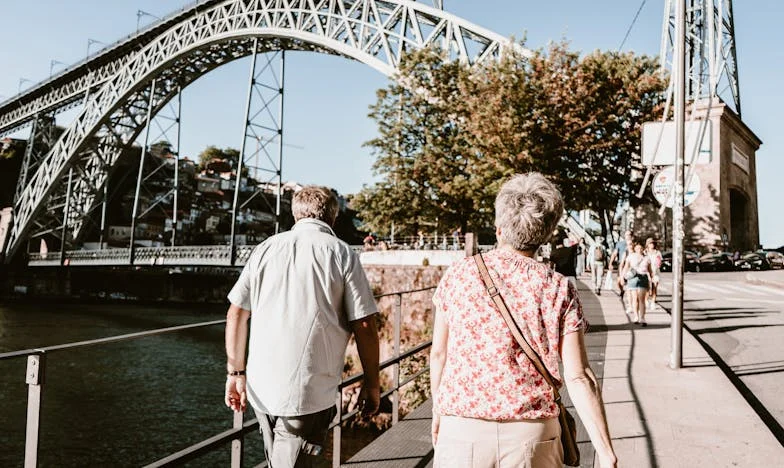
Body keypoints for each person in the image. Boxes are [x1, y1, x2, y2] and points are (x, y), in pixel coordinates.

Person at [429, 173, 617, 468]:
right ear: (547, 232)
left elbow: (439, 353)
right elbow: (578, 376)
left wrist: (438, 411)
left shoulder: (458, 275)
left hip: (462, 429)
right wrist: (605, 452)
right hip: (532, 435)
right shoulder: (557, 286)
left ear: (499, 226)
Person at [224, 185, 381, 468]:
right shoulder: (342, 253)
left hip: (262, 388)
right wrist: (372, 383)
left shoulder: (265, 249)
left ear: (295, 214)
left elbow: (236, 313)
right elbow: (366, 324)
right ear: (333, 217)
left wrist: (235, 372)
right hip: (309, 392)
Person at [620, 242, 654, 326]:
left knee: (641, 299)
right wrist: (622, 277)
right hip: (633, 278)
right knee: (635, 299)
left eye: (641, 248)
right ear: (635, 249)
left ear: (643, 249)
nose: (639, 250)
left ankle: (642, 318)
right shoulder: (631, 256)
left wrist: (651, 279)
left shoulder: (646, 258)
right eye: (638, 248)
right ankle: (636, 316)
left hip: (643, 278)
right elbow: (626, 267)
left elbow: (650, 270)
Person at [609, 230, 633, 311]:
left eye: (629, 234)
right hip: (622, 265)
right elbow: (614, 253)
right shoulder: (620, 244)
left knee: (630, 283)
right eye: (627, 235)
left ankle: (630, 300)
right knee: (619, 281)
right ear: (624, 236)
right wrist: (610, 263)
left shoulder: (633, 244)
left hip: (632, 265)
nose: (628, 236)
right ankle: (622, 291)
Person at [645, 238, 663, 309]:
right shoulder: (645, 252)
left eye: (653, 243)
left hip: (655, 271)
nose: (651, 245)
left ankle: (653, 302)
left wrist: (657, 266)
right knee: (647, 287)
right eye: (650, 243)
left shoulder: (657, 252)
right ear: (647, 245)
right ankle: (646, 300)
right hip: (646, 271)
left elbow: (659, 262)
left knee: (654, 287)